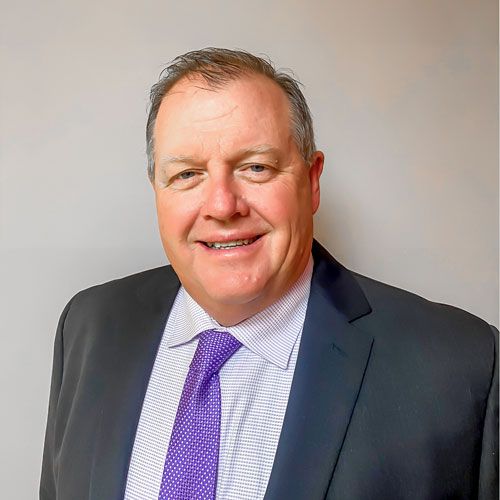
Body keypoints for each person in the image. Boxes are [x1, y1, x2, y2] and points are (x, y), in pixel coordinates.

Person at [40, 48, 498, 500]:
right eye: (187, 175)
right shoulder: (89, 326)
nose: (222, 206)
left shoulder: (462, 366)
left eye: (255, 167)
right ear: (156, 189)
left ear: (312, 181)